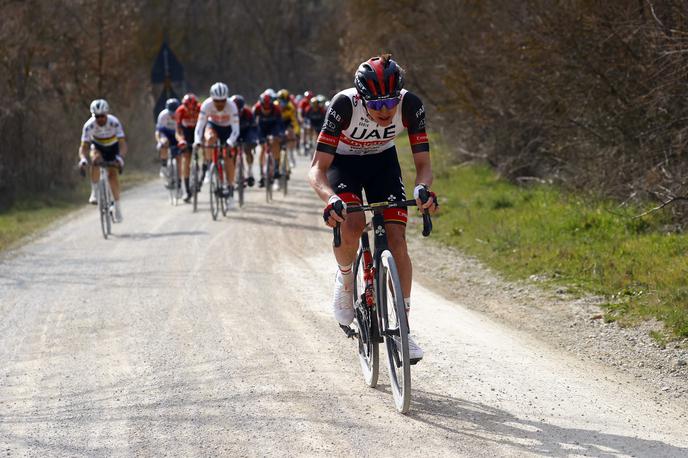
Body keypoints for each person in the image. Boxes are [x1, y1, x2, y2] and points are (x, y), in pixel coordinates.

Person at [308, 55, 438, 362]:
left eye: (390, 102)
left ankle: (403, 330)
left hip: (383, 164)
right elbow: (317, 169)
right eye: (376, 105)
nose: (385, 111)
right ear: (362, 98)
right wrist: (331, 199)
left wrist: (422, 189)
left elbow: (423, 165)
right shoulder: (343, 106)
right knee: (352, 224)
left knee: (398, 239)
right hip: (344, 165)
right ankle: (344, 279)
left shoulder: (410, 105)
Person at [78, 99, 127, 222]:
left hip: (112, 148)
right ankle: (94, 192)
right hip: (98, 147)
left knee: (112, 176)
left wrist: (120, 158)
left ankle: (117, 207)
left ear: (107, 114)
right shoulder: (89, 126)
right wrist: (83, 159)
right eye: (97, 116)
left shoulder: (114, 122)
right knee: (95, 159)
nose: (100, 119)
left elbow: (122, 144)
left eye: (102, 116)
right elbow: (84, 147)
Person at [193, 82, 240, 209]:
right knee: (209, 138)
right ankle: (209, 167)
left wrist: (230, 142)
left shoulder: (232, 106)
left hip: (228, 129)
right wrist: (197, 140)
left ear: (226, 98)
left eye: (222, 101)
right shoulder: (206, 105)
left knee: (228, 158)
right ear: (212, 98)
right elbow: (200, 126)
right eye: (217, 101)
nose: (219, 104)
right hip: (213, 126)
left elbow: (236, 129)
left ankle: (230, 191)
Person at [252, 91, 284, 189]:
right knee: (262, 147)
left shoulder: (276, 109)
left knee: (275, 143)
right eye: (264, 108)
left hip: (273, 127)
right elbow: (253, 125)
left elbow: (280, 125)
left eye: (268, 108)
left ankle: (276, 168)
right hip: (262, 128)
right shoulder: (256, 108)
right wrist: (255, 137)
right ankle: (262, 174)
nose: (266, 110)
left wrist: (279, 135)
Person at [175, 93, 201, 202]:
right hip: (186, 134)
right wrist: (181, 140)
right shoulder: (180, 111)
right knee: (186, 158)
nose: (190, 110)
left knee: (204, 149)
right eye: (188, 107)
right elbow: (178, 131)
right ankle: (187, 190)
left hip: (197, 131)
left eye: (193, 108)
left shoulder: (200, 108)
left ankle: (203, 172)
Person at [230, 94, 258, 187]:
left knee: (248, 149)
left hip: (246, 132)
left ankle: (250, 171)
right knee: (232, 153)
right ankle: (234, 175)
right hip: (233, 132)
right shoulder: (228, 112)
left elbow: (254, 127)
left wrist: (253, 140)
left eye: (239, 111)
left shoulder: (248, 113)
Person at [156, 97, 181, 192]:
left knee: (179, 157)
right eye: (171, 113)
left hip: (176, 134)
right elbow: (158, 132)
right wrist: (159, 141)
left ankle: (178, 180)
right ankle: (164, 165)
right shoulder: (163, 115)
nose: (173, 115)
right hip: (165, 133)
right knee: (164, 143)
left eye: (175, 113)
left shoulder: (180, 114)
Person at [277, 89, 300, 168]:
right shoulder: (275, 106)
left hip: (287, 123)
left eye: (285, 100)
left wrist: (296, 132)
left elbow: (294, 121)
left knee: (290, 134)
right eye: (281, 100)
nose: (282, 103)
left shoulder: (290, 107)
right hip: (278, 123)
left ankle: (290, 154)